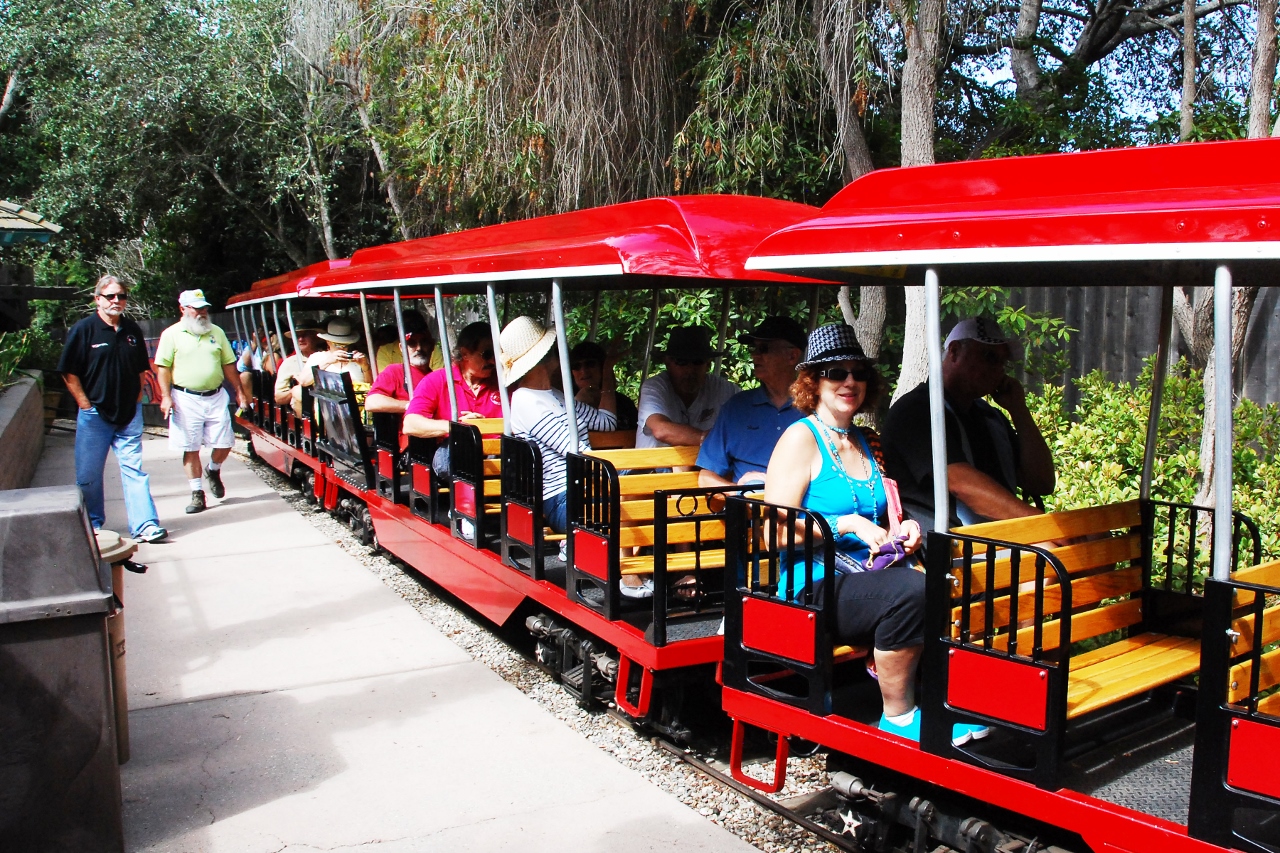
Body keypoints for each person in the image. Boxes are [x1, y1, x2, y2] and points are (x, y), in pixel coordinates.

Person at [765, 324, 984, 746]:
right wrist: (844, 525)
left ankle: (940, 703)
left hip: (863, 574)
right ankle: (898, 717)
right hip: (811, 584)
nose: (849, 381)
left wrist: (902, 529)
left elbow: (883, 514)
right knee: (910, 592)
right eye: (836, 372)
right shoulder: (799, 440)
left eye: (858, 372)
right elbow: (775, 531)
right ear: (813, 381)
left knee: (943, 578)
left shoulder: (868, 442)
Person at [882, 316, 1056, 536]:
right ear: (954, 352)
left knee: (1093, 538)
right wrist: (1042, 525)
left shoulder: (990, 417)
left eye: (1003, 362)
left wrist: (1019, 411)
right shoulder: (916, 410)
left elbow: (1041, 483)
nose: (999, 370)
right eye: (989, 357)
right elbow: (961, 484)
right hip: (949, 547)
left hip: (999, 538)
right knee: (1055, 554)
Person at [57, 275, 167, 543]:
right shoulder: (84, 330)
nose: (117, 301)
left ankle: (145, 526)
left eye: (121, 296)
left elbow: (142, 369)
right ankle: (93, 524)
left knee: (134, 469)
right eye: (110, 296)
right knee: (89, 474)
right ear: (97, 299)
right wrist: (85, 403)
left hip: (128, 413)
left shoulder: (131, 330)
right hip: (95, 414)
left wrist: (135, 398)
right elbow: (68, 372)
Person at [502, 317, 617, 534]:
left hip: (588, 488)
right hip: (563, 497)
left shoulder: (556, 395)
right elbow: (575, 451)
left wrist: (608, 371)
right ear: (543, 357)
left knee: (645, 494)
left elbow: (607, 422)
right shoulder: (525, 400)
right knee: (631, 496)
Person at [155, 289, 249, 514]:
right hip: (185, 397)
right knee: (190, 446)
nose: (202, 312)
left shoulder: (215, 332)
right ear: (183, 309)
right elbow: (163, 368)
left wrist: (240, 392)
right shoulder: (171, 334)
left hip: (215, 396)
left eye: (204, 308)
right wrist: (166, 396)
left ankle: (213, 469)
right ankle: (197, 493)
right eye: (196, 308)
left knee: (226, 442)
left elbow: (229, 364)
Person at [697, 316, 807, 489]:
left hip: (803, 510)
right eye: (753, 348)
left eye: (764, 349)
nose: (755, 355)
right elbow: (706, 478)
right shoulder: (736, 408)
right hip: (748, 510)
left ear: (792, 356)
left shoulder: (817, 407)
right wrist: (741, 496)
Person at [402, 321, 503, 475]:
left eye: (497, 354)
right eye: (487, 354)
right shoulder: (437, 380)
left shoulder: (504, 382)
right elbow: (410, 424)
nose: (493, 361)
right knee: (457, 453)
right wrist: (457, 427)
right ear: (465, 354)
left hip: (497, 454)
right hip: (455, 452)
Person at [635, 325, 739, 449]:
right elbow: (661, 430)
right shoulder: (654, 387)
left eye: (697, 362)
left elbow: (749, 416)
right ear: (667, 363)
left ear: (708, 365)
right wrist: (707, 438)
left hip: (702, 467)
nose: (690, 370)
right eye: (681, 362)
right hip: (652, 467)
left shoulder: (725, 389)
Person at [365, 312, 435, 414]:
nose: (419, 348)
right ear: (402, 348)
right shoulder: (394, 371)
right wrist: (411, 406)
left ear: (432, 346)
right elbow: (372, 402)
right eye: (412, 343)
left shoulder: (436, 377)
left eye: (424, 342)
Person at [569, 340, 637, 430]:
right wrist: (577, 403)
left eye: (590, 364)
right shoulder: (567, 403)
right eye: (576, 366)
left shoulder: (623, 403)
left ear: (601, 367)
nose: (583, 371)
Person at [272, 323, 325, 416]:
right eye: (298, 336)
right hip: (306, 417)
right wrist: (295, 391)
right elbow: (278, 398)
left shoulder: (328, 357)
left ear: (316, 337)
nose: (300, 339)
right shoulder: (290, 362)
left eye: (305, 335)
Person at [307, 317, 370, 383]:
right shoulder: (317, 357)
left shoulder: (359, 358)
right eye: (337, 344)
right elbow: (303, 382)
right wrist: (327, 362)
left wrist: (365, 368)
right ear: (328, 342)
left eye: (345, 344)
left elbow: (371, 387)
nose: (342, 348)